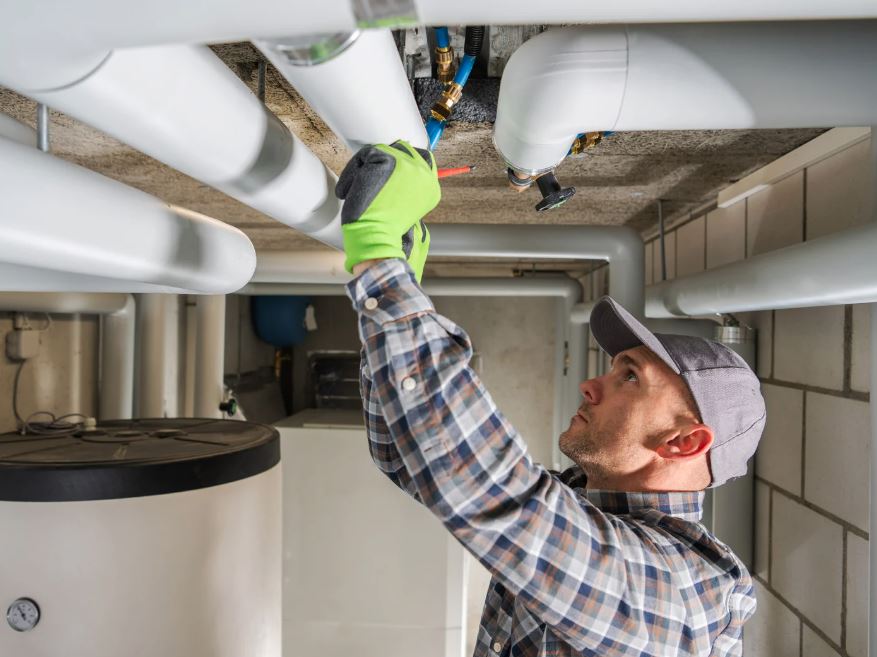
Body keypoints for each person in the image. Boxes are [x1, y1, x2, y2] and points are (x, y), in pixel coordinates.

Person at [336, 140, 766, 656]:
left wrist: (381, 258)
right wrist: (398, 284)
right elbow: (411, 458)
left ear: (684, 440)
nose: (592, 385)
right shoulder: (584, 507)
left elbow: (500, 498)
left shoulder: (689, 590)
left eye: (629, 378)